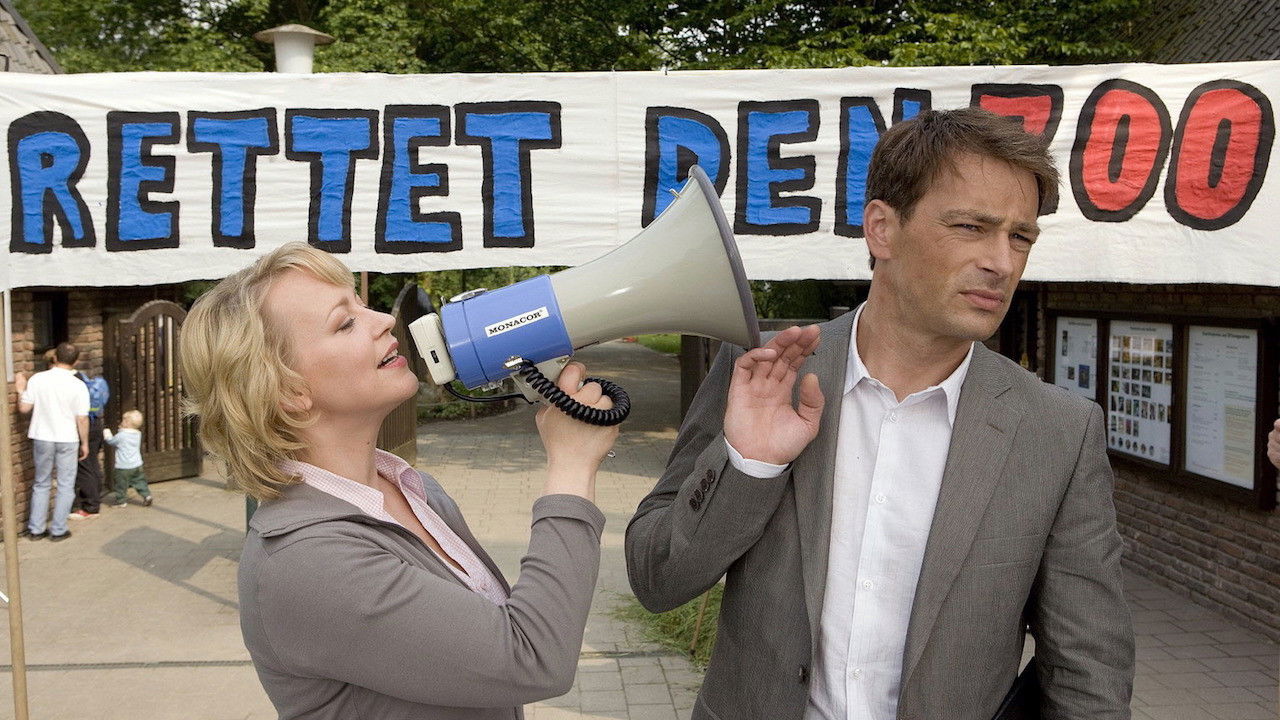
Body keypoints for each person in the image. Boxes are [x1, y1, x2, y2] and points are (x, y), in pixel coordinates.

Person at [626, 108, 1134, 720]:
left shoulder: (1057, 430)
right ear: (882, 229)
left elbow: (1088, 671)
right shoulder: (769, 372)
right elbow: (657, 578)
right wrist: (747, 466)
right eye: (971, 226)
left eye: (1019, 236)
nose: (1002, 262)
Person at [179, 242, 618, 719]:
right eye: (344, 322)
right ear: (289, 392)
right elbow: (531, 659)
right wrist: (571, 468)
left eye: (361, 304)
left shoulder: (414, 489)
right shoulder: (306, 562)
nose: (383, 320)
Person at [16, 341, 90, 541]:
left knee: (41, 482)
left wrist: (20, 390)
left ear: (55, 357)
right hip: (67, 438)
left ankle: (36, 529)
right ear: (75, 361)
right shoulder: (78, 385)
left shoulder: (38, 379)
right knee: (65, 485)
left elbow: (24, 409)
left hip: (42, 435)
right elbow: (82, 418)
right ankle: (58, 530)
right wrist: (85, 443)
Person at [70, 371, 110, 518]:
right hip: (96, 424)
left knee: (84, 466)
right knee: (93, 464)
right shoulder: (87, 380)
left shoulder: (74, 383)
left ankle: (90, 506)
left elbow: (80, 417)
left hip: (84, 427)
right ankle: (95, 497)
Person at [105, 409, 151, 507]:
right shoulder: (137, 434)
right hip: (137, 464)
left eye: (123, 420)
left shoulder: (122, 435)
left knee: (121, 484)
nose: (121, 422)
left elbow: (112, 442)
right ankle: (147, 495)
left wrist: (107, 434)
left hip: (123, 466)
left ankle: (121, 501)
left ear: (126, 423)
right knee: (140, 481)